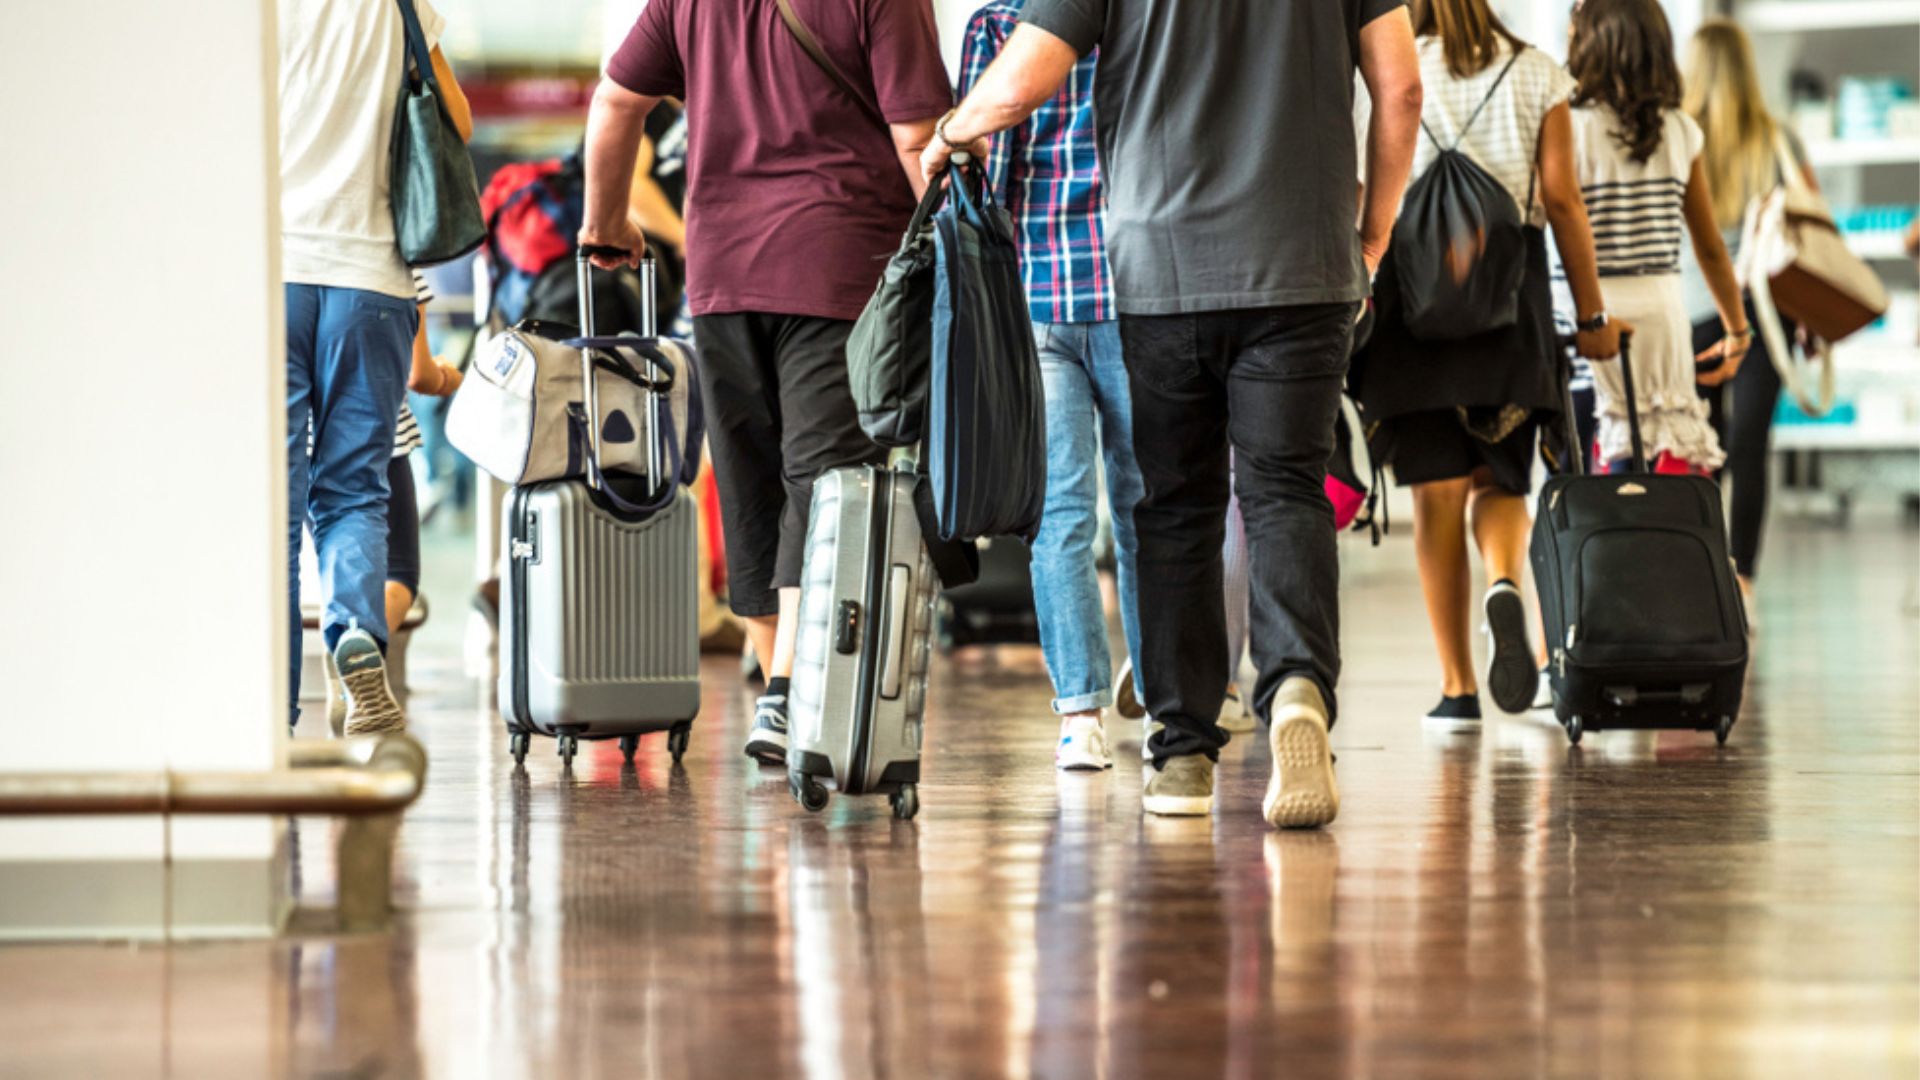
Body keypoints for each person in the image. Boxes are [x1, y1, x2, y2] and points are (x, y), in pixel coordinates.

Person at [924, 0, 1426, 826]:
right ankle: (1296, 683)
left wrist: (954, 128)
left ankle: (1183, 749)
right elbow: (1400, 88)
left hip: (1163, 268)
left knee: (1176, 508)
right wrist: (1371, 236)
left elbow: (1023, 82)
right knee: (1284, 490)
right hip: (1303, 263)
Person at [580, 0, 952, 768]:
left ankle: (780, 686)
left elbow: (617, 101)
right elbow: (917, 136)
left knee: (753, 482)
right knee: (821, 478)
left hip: (722, 276)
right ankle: (787, 694)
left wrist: (605, 221)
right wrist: (965, 257)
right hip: (841, 266)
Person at [1350, 0, 1621, 723]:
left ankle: (1456, 688)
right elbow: (1562, 200)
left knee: (1435, 491)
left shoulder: (1387, 67)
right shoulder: (1538, 74)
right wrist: (1591, 317)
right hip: (1509, 305)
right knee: (1500, 479)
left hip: (1410, 303)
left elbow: (1358, 188)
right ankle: (1504, 580)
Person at [955, 2, 1144, 773]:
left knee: (1060, 515)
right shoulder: (1137, 14)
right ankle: (1171, 702)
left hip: (1035, 294)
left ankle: (1081, 718)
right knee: (1151, 511)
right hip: (1140, 289)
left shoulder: (998, 26)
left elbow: (986, 167)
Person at [280, 0, 470, 735]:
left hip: (278, 271)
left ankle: (270, 703)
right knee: (356, 488)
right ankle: (356, 633)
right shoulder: (405, 5)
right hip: (376, 281)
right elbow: (457, 120)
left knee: (277, 499)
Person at [1564, 0, 1750, 478]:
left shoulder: (1570, 127)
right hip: (1663, 318)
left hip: (1590, 312)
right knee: (1657, 473)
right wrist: (1736, 329)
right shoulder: (1680, 131)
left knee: (1582, 465)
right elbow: (1708, 245)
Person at [1681, 19, 1820, 616]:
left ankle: (1704, 575)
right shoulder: (1778, 140)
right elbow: (1814, 227)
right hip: (1766, 311)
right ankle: (1743, 579)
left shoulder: (1678, 135)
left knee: (1699, 446)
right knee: (1749, 443)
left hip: (1693, 308)